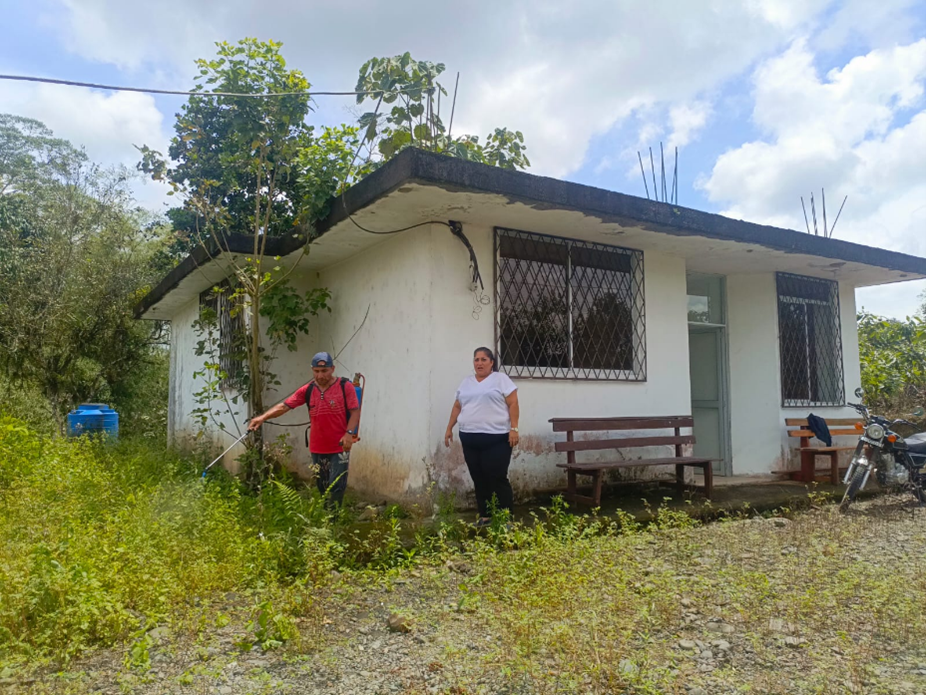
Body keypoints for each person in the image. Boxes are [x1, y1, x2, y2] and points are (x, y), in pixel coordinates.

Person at [249, 351, 360, 507]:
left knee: (337, 485)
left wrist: (349, 434)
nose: (320, 375)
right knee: (322, 485)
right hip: (318, 446)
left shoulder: (344, 386)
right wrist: (262, 418)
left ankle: (333, 518)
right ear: (312, 370)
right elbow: (284, 406)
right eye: (316, 371)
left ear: (332, 369)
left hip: (340, 445)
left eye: (324, 371)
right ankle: (324, 516)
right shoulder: (307, 390)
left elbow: (355, 411)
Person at [444, 347, 520, 526]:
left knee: (497, 477)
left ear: (491, 362)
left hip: (497, 438)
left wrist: (514, 428)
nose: (479, 363)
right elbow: (457, 406)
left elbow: (513, 403)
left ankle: (506, 518)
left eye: (484, 359)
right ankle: (485, 516)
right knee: (478, 477)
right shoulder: (466, 382)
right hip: (469, 438)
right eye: (476, 360)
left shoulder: (500, 379)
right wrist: (449, 428)